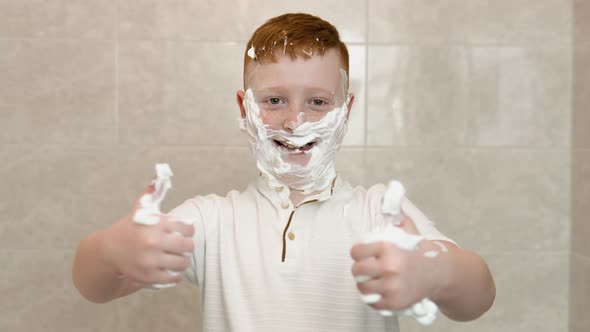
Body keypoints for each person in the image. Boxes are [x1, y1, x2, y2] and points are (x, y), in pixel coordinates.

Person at [72, 13, 495, 331]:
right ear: (245, 108)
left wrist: (435, 271)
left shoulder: (378, 214)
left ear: (346, 111)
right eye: (274, 101)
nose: (295, 122)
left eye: (318, 102)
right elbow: (94, 287)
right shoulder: (213, 221)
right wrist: (111, 250)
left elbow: (477, 299)